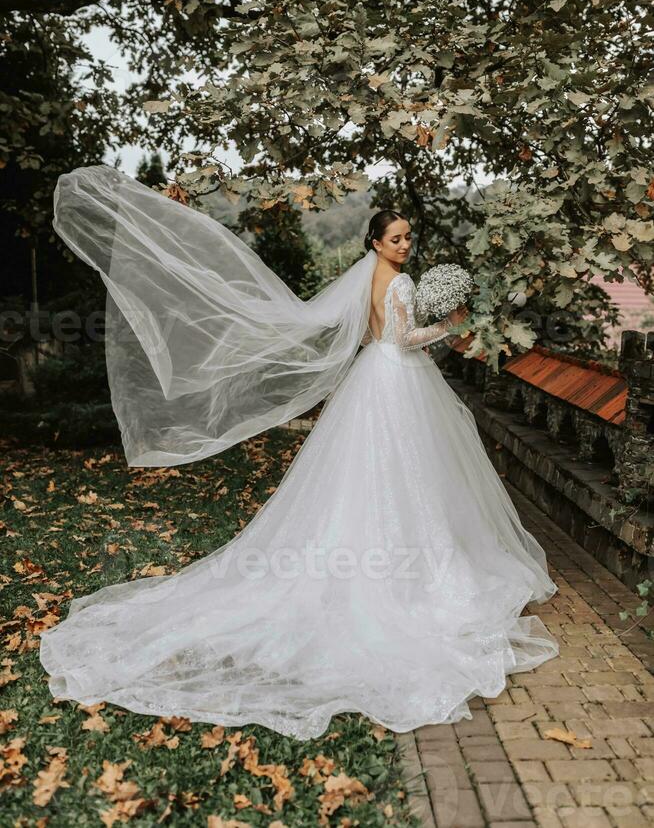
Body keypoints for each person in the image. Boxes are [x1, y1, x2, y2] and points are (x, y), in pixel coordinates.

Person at [39, 170, 559, 741]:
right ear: (375, 244)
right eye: (397, 239)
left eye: (409, 238)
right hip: (399, 377)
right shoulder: (400, 285)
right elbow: (402, 340)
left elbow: (368, 338)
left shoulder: (367, 280)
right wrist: (450, 325)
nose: (405, 246)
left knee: (375, 475)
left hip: (375, 379)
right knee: (409, 472)